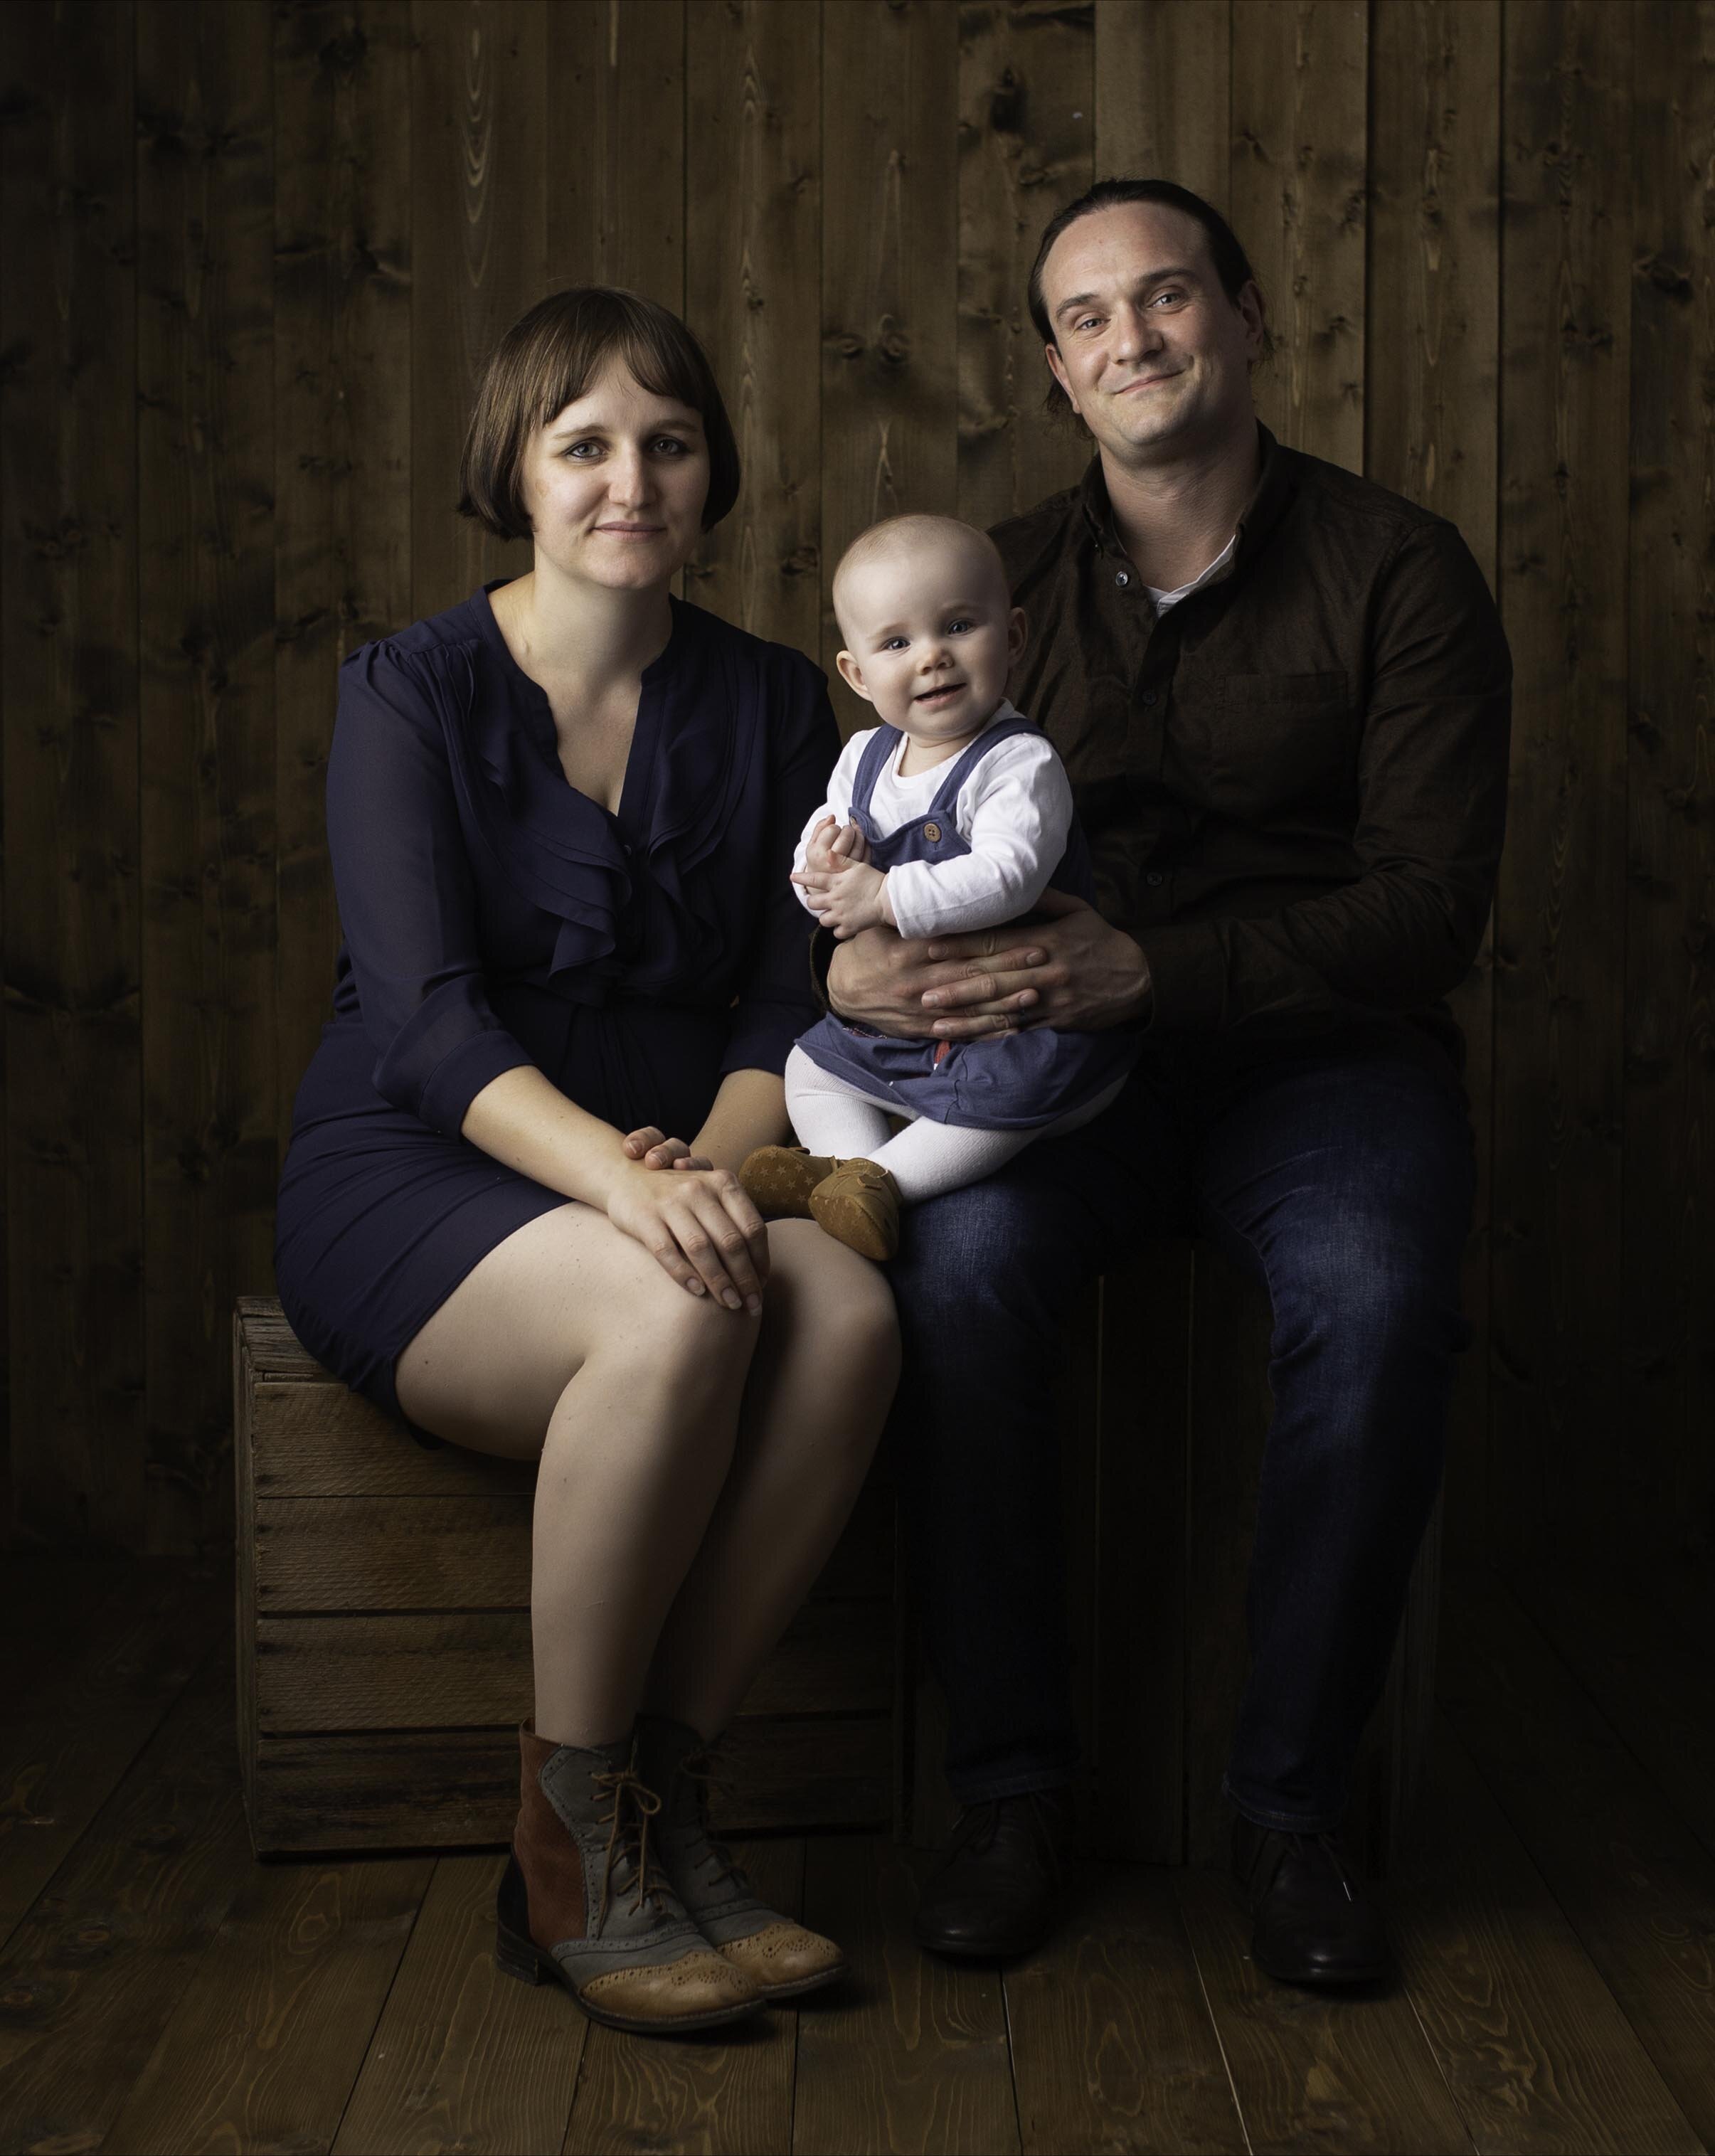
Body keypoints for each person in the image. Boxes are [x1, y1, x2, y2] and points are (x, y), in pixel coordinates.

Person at [821, 179, 1511, 1986]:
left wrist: (1161, 965)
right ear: (1057, 370)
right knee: (953, 1279)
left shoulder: (1400, 568)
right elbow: (882, 828)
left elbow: (1433, 909)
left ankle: (1290, 1819)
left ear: (1247, 316)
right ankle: (1012, 1793)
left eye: (1167, 298)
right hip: (1059, 1076)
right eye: (1086, 317)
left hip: (1323, 1066)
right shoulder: (992, 582)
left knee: (1374, 1300)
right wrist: (860, 952)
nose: (1131, 339)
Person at [273, 287, 898, 2037]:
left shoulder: (781, 705)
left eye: (671, 442)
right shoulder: (405, 692)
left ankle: (662, 1815)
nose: (632, 478)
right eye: (586, 445)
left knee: (841, 1316)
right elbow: (422, 1021)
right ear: (518, 472)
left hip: (671, 1149)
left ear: (712, 476)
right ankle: (568, 1859)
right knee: (684, 1312)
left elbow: (791, 999)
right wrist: (631, 1191)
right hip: (424, 1162)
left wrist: (698, 1167)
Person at [740, 514, 1135, 1260]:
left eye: (957, 626)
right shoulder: (862, 757)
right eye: (896, 643)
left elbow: (1009, 878)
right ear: (856, 674)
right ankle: (843, 1180)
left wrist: (880, 899)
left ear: (1012, 638)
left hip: (1021, 1034)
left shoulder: (1018, 764)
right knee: (807, 1066)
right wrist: (821, 869)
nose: (932, 659)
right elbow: (818, 854)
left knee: (995, 1108)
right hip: (907, 1030)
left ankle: (882, 1181)